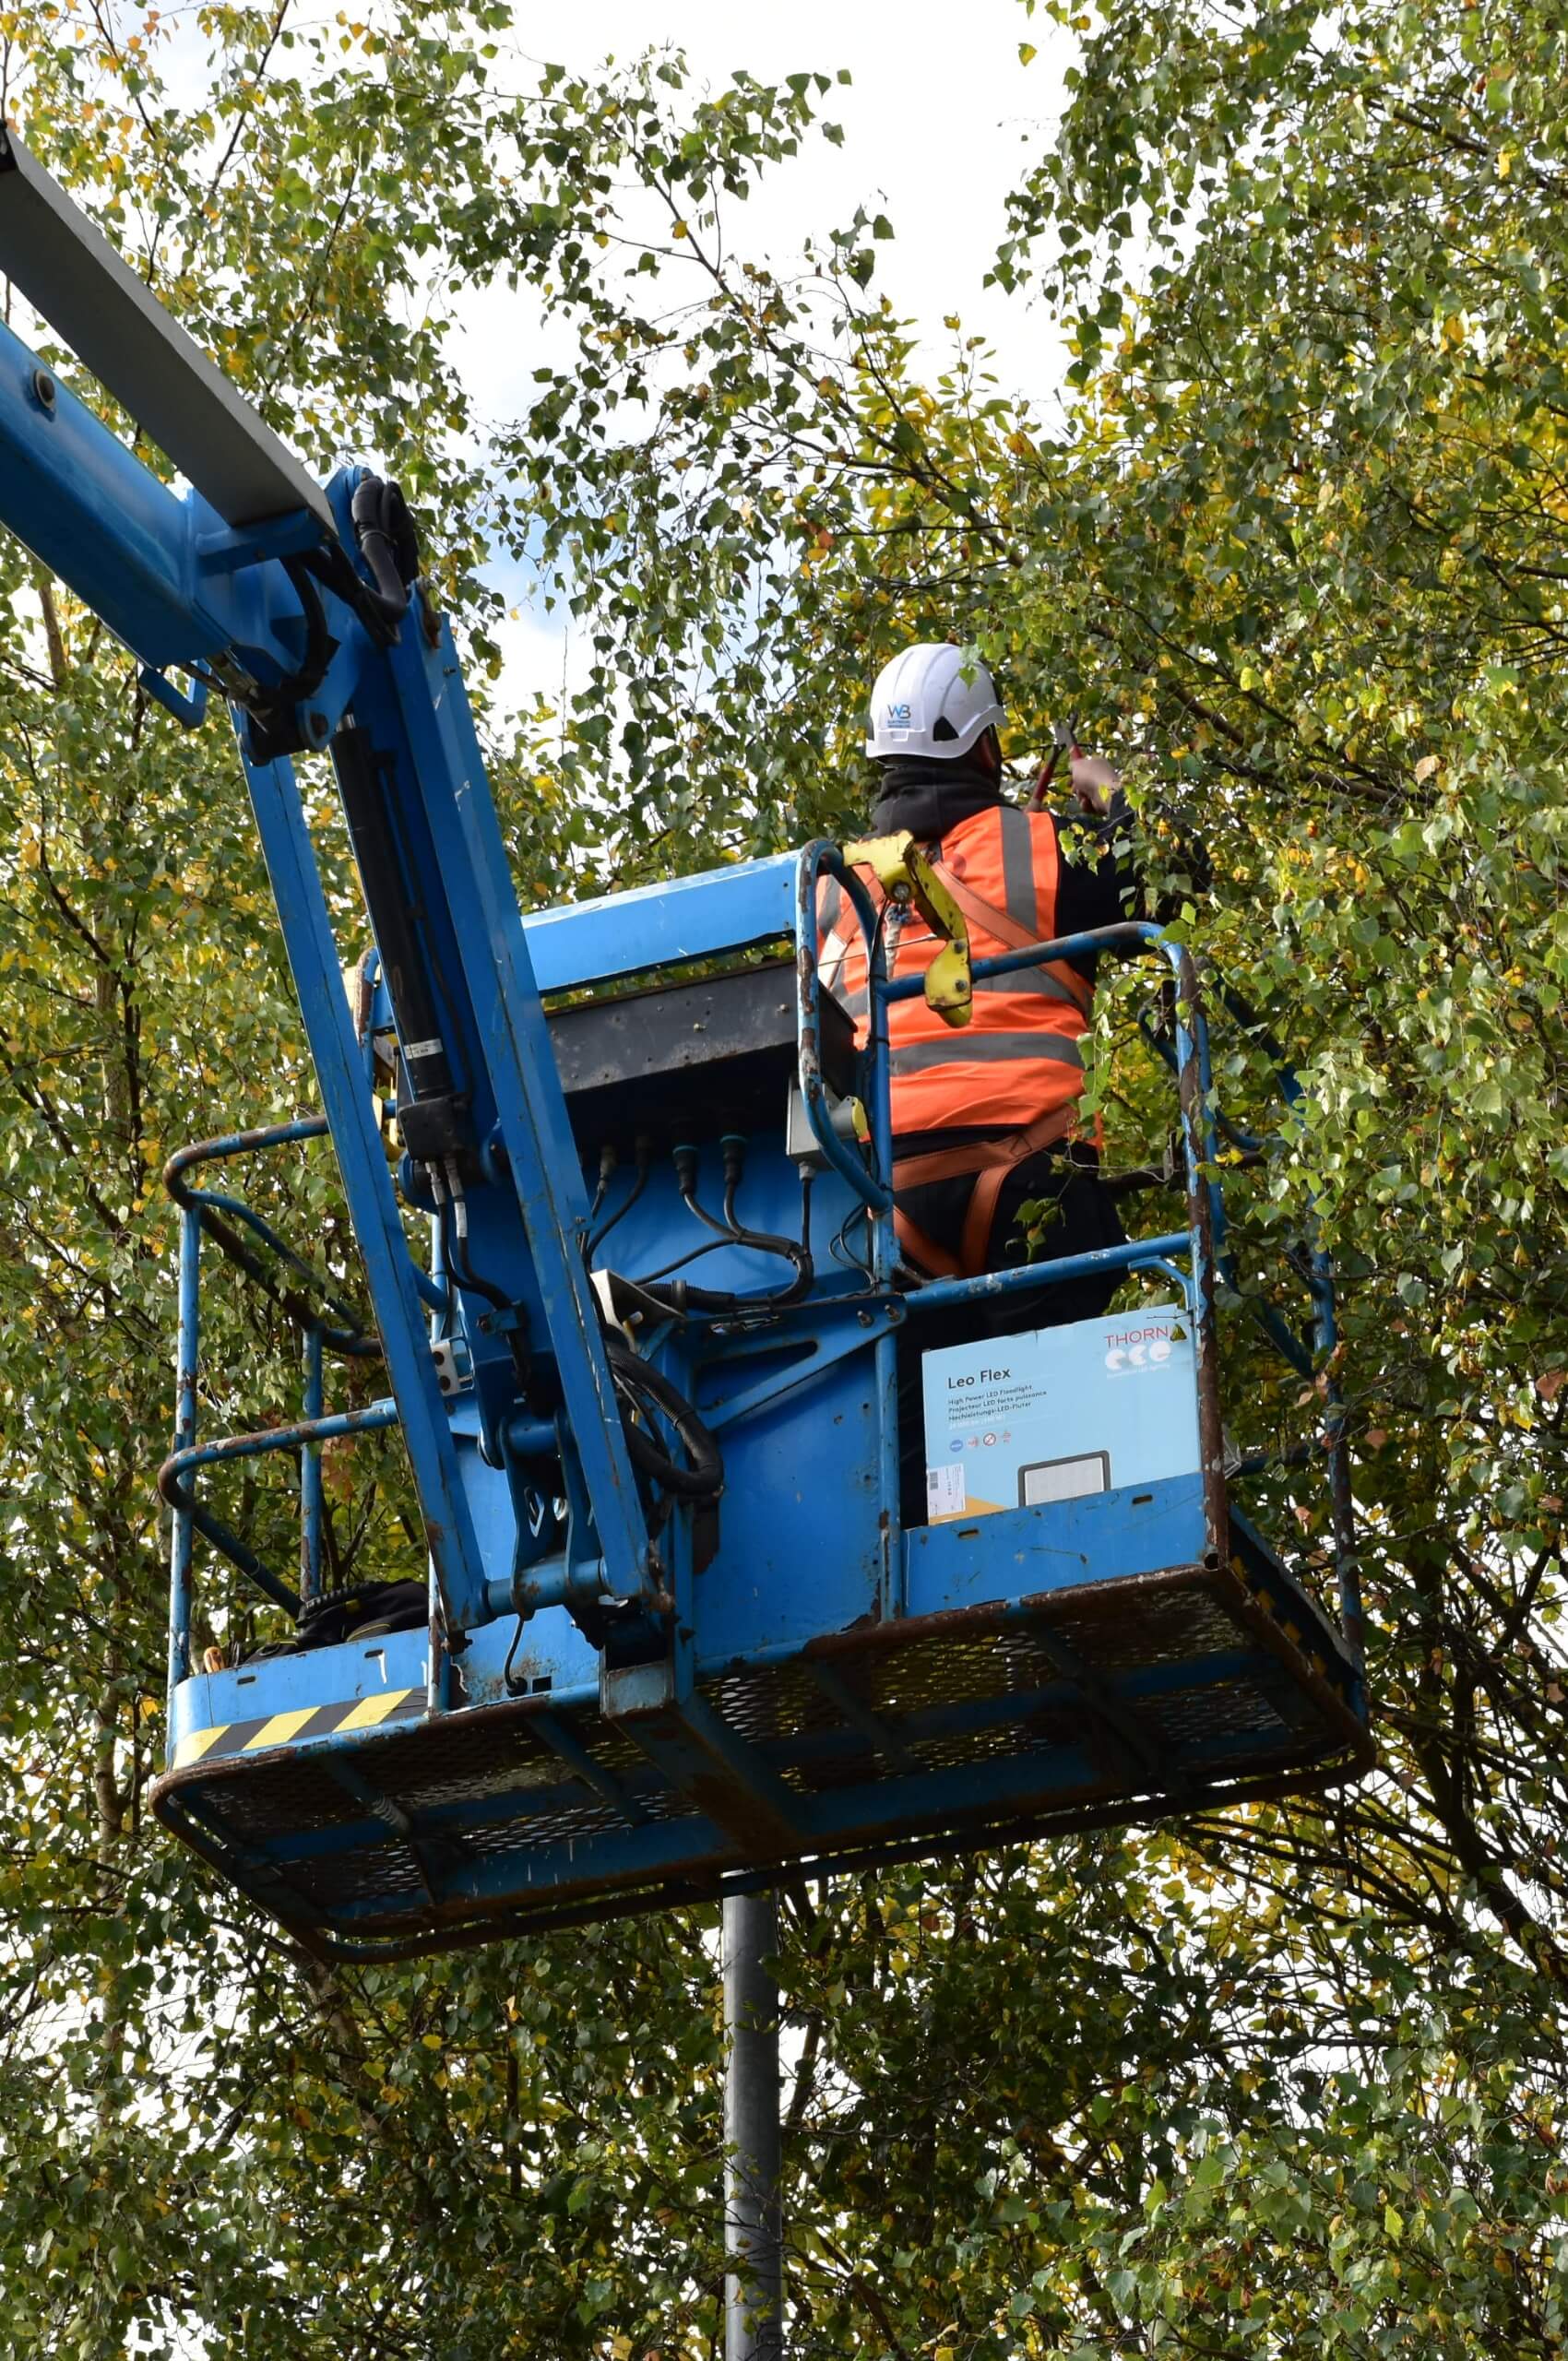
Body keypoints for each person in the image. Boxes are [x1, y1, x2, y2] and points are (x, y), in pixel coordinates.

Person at [816, 640, 1137, 1511]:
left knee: (919, 1482)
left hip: (891, 1208)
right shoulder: (1044, 848)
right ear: (986, 749)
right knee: (1055, 1455)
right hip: (1033, 1189)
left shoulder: (833, 888)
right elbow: (1175, 884)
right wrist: (1106, 798)